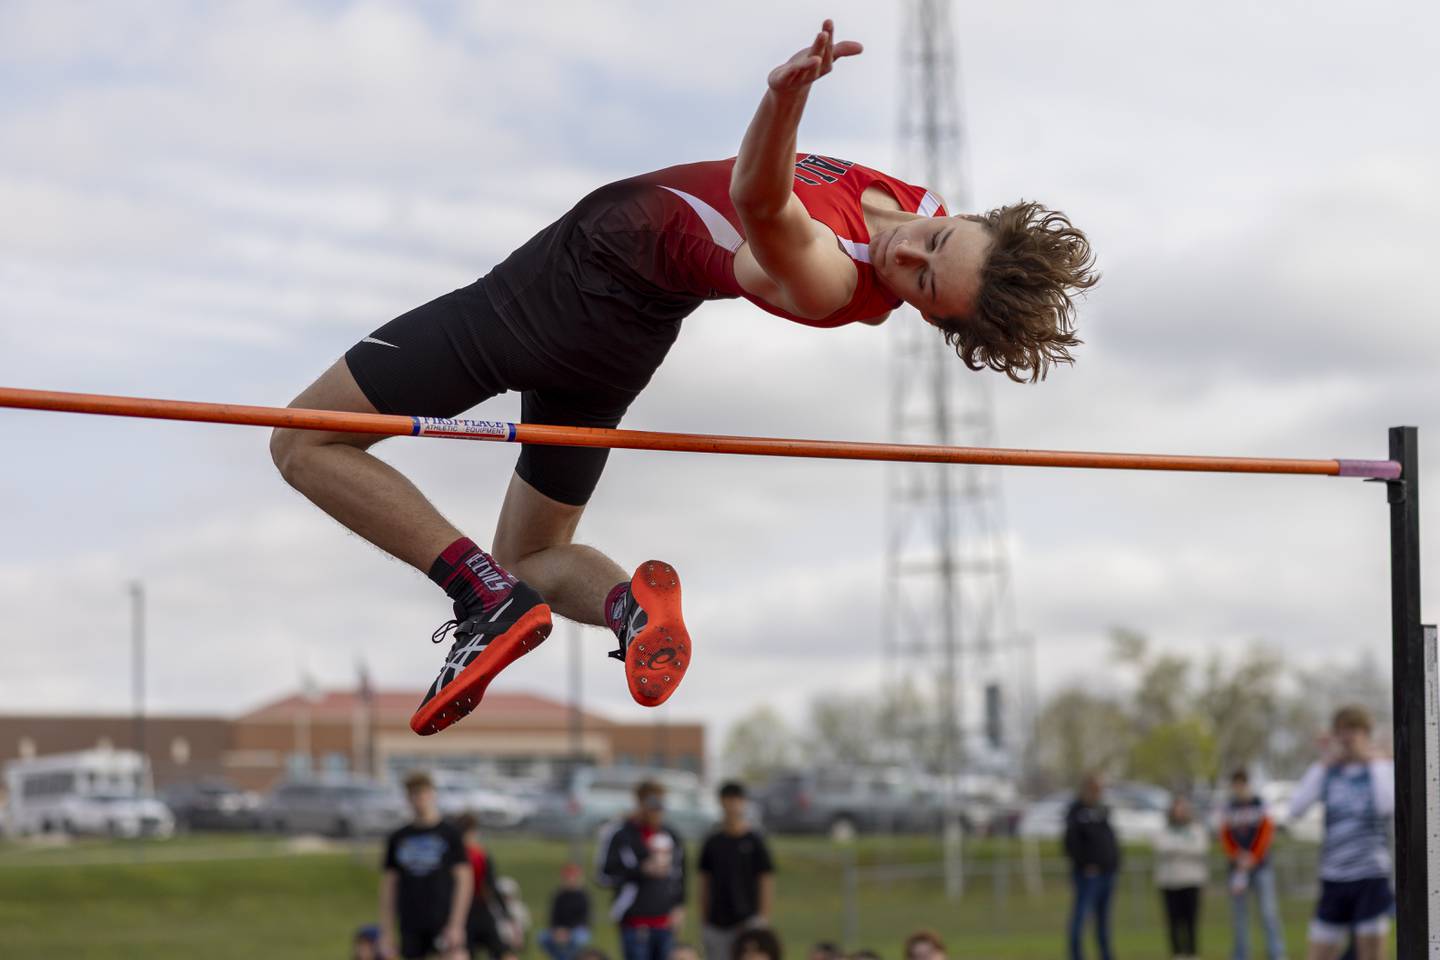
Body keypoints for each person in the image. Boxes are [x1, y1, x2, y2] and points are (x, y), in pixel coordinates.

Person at [267, 19, 1098, 737]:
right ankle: (631, 610)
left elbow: (764, 204)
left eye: (920, 282)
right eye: (937, 242)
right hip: (624, 332)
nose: (907, 254)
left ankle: (478, 596)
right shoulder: (919, 198)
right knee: (534, 554)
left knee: (305, 441)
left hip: (571, 285)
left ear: (922, 313)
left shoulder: (834, 281)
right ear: (969, 216)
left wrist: (781, 99)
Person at [1289, 705, 1395, 960]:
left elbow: (1387, 806)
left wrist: (1373, 760)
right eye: (1342, 732)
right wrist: (1323, 764)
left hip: (1370, 875)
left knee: (1369, 953)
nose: (1348, 739)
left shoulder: (1379, 770)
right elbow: (1295, 809)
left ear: (1365, 735)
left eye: (1354, 731)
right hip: (1334, 877)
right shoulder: (1329, 772)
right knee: (1320, 951)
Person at [380, 772, 473, 960]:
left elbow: (464, 880)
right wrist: (387, 930)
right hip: (411, 919)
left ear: (432, 794)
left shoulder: (450, 834)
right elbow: (389, 885)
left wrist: (457, 924)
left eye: (423, 793)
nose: (420, 800)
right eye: (414, 795)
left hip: (443, 917)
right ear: (408, 798)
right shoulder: (399, 838)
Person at [598, 780, 688, 960]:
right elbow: (604, 875)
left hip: (665, 924)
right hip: (635, 924)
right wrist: (641, 870)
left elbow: (680, 875)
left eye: (660, 804)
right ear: (640, 803)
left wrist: (679, 906)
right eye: (651, 803)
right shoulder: (622, 835)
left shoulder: (671, 835)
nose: (657, 810)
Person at [699, 782, 776, 960]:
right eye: (728, 800)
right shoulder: (713, 841)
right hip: (717, 921)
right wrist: (704, 921)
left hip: (747, 920)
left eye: (736, 800)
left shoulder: (755, 841)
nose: (732, 805)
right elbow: (704, 881)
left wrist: (762, 918)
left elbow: (765, 879)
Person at [1220, 768, 1285, 960]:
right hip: (1237, 869)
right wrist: (1237, 856)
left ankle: (1277, 953)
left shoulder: (1260, 804)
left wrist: (1253, 857)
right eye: (1236, 784)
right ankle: (1241, 954)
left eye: (1242, 784)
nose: (1239, 788)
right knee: (1239, 917)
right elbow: (1225, 836)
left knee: (1268, 913)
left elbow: (1266, 833)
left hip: (1261, 867)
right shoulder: (1229, 807)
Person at [1064, 772, 1120, 960]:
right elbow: (1070, 844)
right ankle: (1076, 955)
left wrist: (1114, 863)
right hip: (1088, 876)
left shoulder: (1102, 811)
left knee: (1103, 922)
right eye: (1096, 789)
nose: (1098, 793)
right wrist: (1085, 864)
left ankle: (1106, 956)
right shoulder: (1076, 812)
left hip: (1107, 873)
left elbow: (1110, 840)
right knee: (1081, 918)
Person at [454, 813, 516, 960]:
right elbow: (491, 886)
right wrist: (506, 914)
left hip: (474, 911)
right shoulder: (476, 855)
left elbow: (491, 885)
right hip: (470, 912)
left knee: (499, 951)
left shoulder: (474, 855)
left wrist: (506, 914)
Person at [1154, 795, 1207, 960]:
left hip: (1191, 880)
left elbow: (1199, 848)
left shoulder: (1196, 829)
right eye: (1177, 809)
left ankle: (1192, 953)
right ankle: (1177, 954)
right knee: (1173, 921)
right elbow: (1161, 847)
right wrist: (1183, 847)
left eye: (1183, 809)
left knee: (1191, 920)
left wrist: (1176, 848)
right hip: (1169, 882)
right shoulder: (1164, 830)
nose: (1180, 813)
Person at [540, 863, 593, 960]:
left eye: (573, 877)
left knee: (578, 939)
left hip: (578, 929)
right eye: (568, 878)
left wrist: (567, 932)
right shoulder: (559, 896)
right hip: (560, 930)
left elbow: (583, 919)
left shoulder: (583, 896)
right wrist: (557, 930)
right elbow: (554, 917)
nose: (570, 880)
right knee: (542, 937)